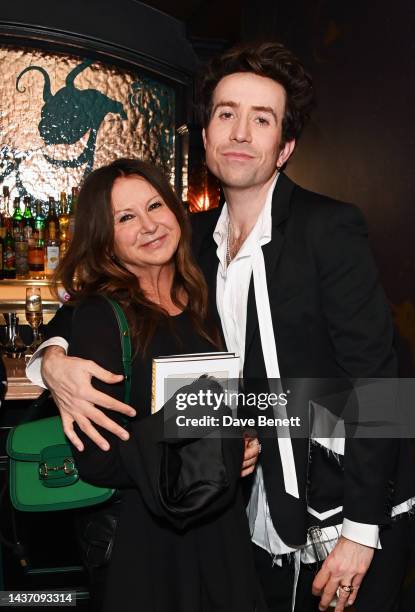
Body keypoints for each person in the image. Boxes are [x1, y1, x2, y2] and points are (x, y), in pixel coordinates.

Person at [27, 42, 415, 611]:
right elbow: (94, 291)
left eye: (262, 120)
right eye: (226, 114)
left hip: (348, 508)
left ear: (283, 148)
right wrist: (51, 358)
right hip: (255, 510)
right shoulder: (192, 242)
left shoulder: (326, 230)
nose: (239, 132)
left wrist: (361, 531)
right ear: (206, 136)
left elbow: (379, 385)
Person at [42, 158, 263, 612]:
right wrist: (50, 359)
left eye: (154, 206)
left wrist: (241, 440)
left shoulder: (203, 295)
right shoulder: (100, 319)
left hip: (221, 533)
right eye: (126, 218)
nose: (149, 225)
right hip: (148, 544)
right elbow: (98, 462)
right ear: (105, 240)